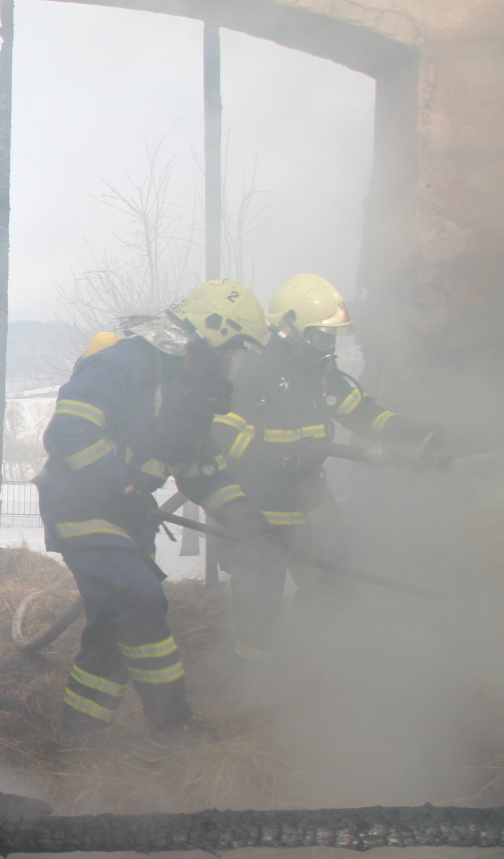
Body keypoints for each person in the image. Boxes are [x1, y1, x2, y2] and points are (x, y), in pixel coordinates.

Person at [36, 280, 273, 736]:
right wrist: (117, 485)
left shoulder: (190, 393)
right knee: (141, 600)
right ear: (213, 336)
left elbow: (204, 471)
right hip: (80, 506)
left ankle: (81, 738)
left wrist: (252, 526)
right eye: (236, 351)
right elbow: (68, 432)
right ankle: (174, 725)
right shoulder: (127, 362)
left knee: (113, 622)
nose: (236, 366)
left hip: (126, 515)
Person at [211, 273, 443, 668]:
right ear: (288, 328)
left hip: (309, 500)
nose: (327, 345)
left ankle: (302, 653)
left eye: (331, 337)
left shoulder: (321, 375)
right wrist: (276, 457)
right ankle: (256, 683)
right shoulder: (254, 372)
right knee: (259, 599)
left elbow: (362, 412)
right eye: (320, 336)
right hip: (257, 508)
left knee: (340, 575)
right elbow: (221, 436)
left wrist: (414, 431)